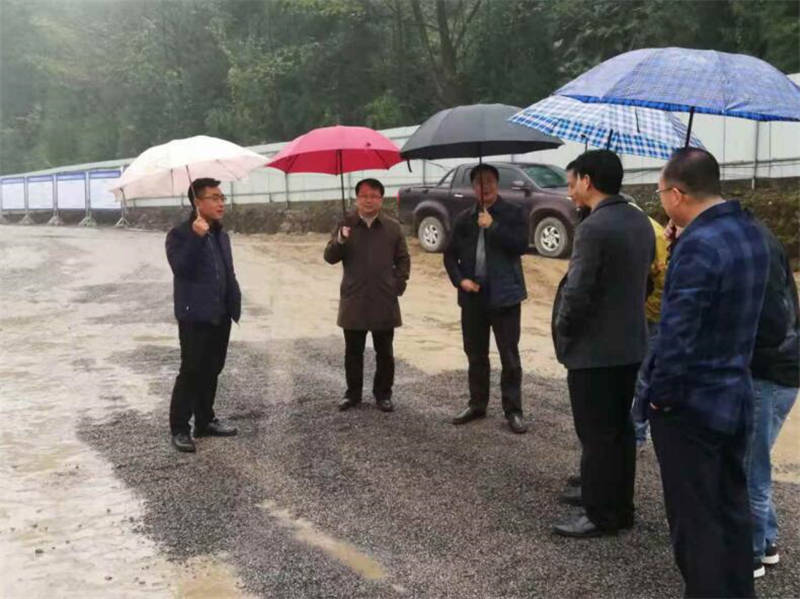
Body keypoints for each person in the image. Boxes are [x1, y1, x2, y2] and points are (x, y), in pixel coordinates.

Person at [641, 148, 768, 598]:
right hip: (735, 393)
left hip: (691, 405)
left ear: (677, 194)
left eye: (661, 192)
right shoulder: (752, 231)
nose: (662, 201)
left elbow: (677, 336)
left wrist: (660, 398)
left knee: (695, 521)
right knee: (731, 507)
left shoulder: (698, 246)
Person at [551, 150, 654, 538]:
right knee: (619, 431)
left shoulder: (594, 228)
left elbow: (577, 293)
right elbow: (645, 281)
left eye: (572, 182)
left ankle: (599, 513)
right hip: (630, 345)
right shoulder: (639, 220)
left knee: (596, 434)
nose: (570, 190)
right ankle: (619, 504)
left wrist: (564, 330)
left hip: (594, 351)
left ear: (587, 181)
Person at [444, 163, 529, 434]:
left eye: (490, 181)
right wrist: (461, 280)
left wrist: (493, 226)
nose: (485, 187)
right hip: (473, 297)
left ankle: (513, 410)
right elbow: (449, 255)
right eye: (479, 182)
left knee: (509, 356)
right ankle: (477, 404)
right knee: (475, 354)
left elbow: (520, 246)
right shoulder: (463, 218)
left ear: (497, 183)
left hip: (505, 296)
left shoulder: (513, 212)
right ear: (473, 187)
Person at [165, 178, 241, 453]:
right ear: (198, 202)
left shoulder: (221, 233)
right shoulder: (179, 234)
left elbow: (227, 271)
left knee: (213, 368)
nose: (221, 203)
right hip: (194, 315)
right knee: (191, 370)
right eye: (214, 198)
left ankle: (205, 420)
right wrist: (196, 238)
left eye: (222, 198)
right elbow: (181, 268)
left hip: (220, 312)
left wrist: (234, 300)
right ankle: (180, 428)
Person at [324, 178, 410, 413]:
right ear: (356, 199)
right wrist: (341, 239)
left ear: (381, 199)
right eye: (363, 196)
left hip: (384, 297)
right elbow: (329, 257)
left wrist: (397, 284)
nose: (368, 200)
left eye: (373, 196)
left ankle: (383, 394)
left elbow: (403, 259)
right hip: (355, 298)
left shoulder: (392, 227)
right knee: (353, 351)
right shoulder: (346, 224)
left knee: (385, 352)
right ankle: (352, 394)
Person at [746, 219, 799, 579]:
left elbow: (770, 327)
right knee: (755, 462)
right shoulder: (762, 240)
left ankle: (749, 553)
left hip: (769, 375)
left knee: (750, 469)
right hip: (782, 372)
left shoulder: (754, 253)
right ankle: (766, 542)